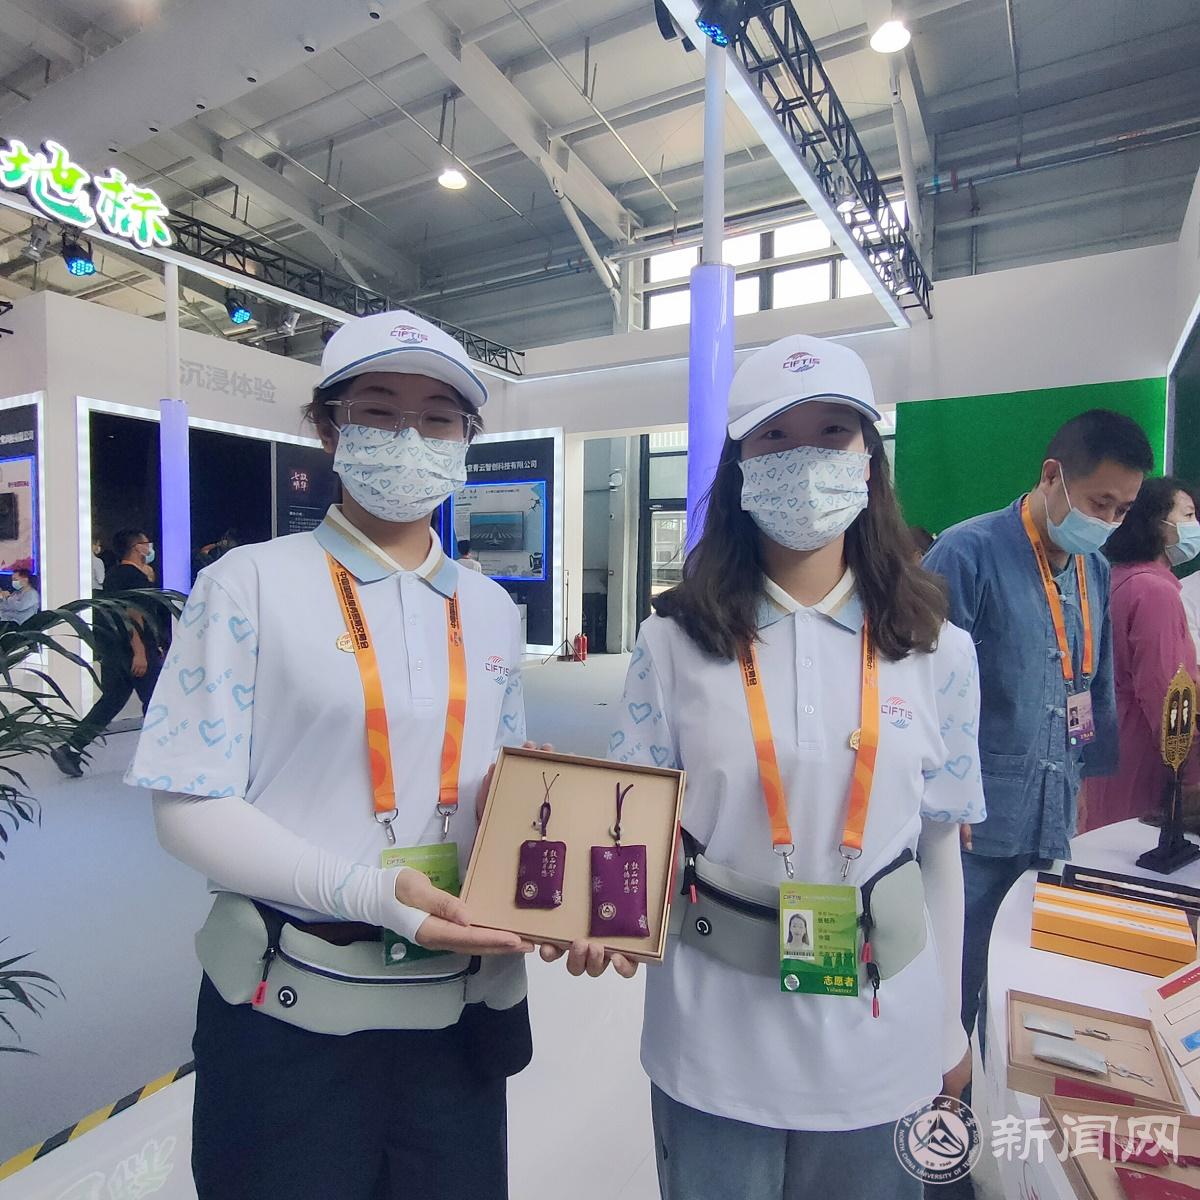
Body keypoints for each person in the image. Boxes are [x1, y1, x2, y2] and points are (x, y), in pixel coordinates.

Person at [124, 311, 543, 1200]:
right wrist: (369, 894)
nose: (410, 437)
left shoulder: (489, 609)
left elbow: (491, 786)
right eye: (379, 411)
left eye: (438, 418)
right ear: (328, 427)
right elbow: (186, 803)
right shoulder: (249, 583)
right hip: (290, 1013)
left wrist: (550, 841)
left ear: (467, 438)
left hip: (455, 1014)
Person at [606, 334, 985, 1200]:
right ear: (739, 463)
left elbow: (939, 851)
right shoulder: (673, 640)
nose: (804, 458)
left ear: (868, 459)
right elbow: (632, 827)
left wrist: (946, 1027)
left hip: (880, 1038)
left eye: (832, 433)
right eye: (776, 436)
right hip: (711, 1037)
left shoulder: (938, 649)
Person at [923, 410, 1152, 1100]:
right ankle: (934, 1134)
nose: (1107, 521)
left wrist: (1080, 782)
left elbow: (1090, 685)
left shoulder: (1095, 568)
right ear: (1053, 476)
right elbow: (915, 689)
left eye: (1122, 510)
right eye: (1098, 502)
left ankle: (988, 1125)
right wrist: (939, 798)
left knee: (1016, 995)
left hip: (1049, 817)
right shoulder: (966, 555)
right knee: (947, 996)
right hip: (969, 830)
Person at [1081, 478, 1200, 832]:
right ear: (1157, 524)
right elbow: (1168, 695)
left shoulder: (1114, 578)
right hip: (1146, 757)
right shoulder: (1154, 592)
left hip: (1110, 746)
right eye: (1188, 515)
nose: (1195, 525)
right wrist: (1191, 772)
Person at [51, 529, 165, 778]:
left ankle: (72, 747)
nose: (150, 547)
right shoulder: (135, 577)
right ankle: (161, 755)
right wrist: (140, 651)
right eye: (146, 543)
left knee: (112, 700)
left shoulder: (114, 575)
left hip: (114, 649)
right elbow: (134, 614)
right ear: (137, 548)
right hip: (135, 650)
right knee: (156, 701)